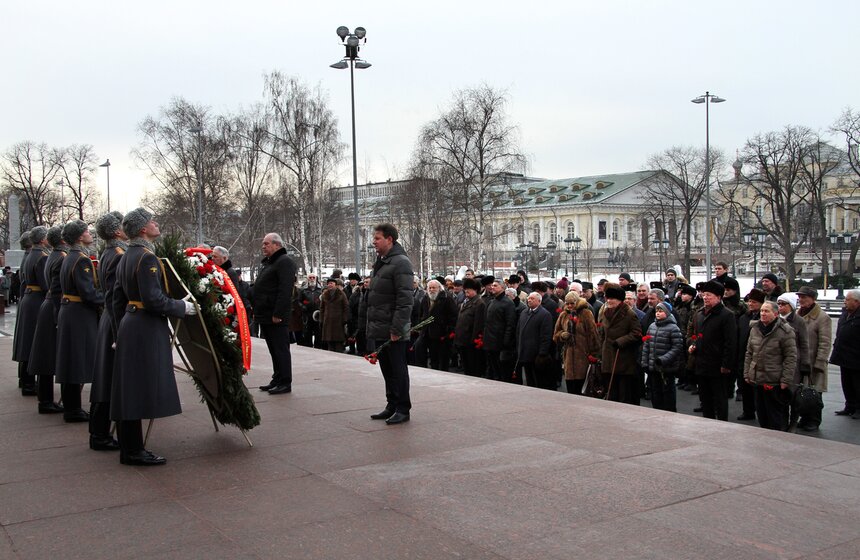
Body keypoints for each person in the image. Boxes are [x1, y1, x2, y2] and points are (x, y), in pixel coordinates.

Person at [111, 208, 198, 466]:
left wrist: (119, 331)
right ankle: (133, 451)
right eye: (151, 221)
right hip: (144, 328)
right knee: (138, 388)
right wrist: (181, 307)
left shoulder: (127, 255)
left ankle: (130, 447)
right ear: (142, 230)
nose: (155, 223)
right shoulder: (146, 257)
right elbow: (153, 300)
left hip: (130, 324)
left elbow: (117, 299)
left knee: (129, 389)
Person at [55, 220, 105, 423]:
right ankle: (73, 409)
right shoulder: (81, 259)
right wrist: (106, 299)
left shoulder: (71, 257)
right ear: (78, 237)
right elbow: (88, 293)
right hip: (79, 313)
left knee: (70, 360)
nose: (89, 233)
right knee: (76, 360)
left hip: (70, 311)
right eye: (85, 231)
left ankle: (71, 406)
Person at [366, 223, 414, 425]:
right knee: (387, 369)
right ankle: (392, 405)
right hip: (381, 326)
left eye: (377, 238)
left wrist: (397, 328)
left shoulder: (401, 263)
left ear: (389, 239)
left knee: (398, 369)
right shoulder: (383, 261)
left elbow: (405, 300)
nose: (373, 242)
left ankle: (403, 408)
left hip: (393, 329)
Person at [89, 212, 127, 450]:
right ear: (116, 232)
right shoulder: (117, 255)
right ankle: (100, 434)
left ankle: (99, 432)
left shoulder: (110, 253)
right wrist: (118, 334)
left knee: (106, 378)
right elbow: (115, 297)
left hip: (110, 319)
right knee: (112, 380)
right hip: (115, 321)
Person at [253, 233, 299, 395]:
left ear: (277, 245)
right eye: (263, 244)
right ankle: (277, 378)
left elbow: (285, 290)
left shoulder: (284, 262)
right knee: (273, 349)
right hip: (266, 313)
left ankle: (285, 382)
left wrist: (278, 312)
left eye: (266, 244)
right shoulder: (271, 263)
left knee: (280, 349)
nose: (263, 246)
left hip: (276, 315)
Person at [27, 225, 65, 414]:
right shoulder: (55, 256)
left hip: (46, 304)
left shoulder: (47, 255)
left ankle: (45, 399)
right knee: (49, 356)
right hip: (53, 306)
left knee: (45, 355)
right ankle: (47, 401)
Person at [744, 301, 797, 431]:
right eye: (761, 311)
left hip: (774, 381)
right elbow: (749, 353)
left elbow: (790, 357)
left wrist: (786, 380)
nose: (763, 313)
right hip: (758, 379)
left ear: (776, 313)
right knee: (762, 416)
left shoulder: (785, 331)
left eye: (766, 311)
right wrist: (747, 373)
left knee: (776, 417)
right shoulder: (755, 329)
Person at [688, 280, 737, 421]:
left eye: (709, 295)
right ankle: (707, 423)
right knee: (705, 398)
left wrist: (726, 365)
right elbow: (695, 335)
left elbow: (730, 342)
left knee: (720, 399)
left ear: (719, 297)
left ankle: (722, 424)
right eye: (704, 295)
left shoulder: (727, 315)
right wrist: (693, 344)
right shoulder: (699, 314)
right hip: (701, 363)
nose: (705, 297)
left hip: (717, 365)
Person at [13, 227, 49, 396]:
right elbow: (45, 284)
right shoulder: (41, 257)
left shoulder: (30, 255)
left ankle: (25, 380)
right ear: (42, 240)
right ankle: (28, 383)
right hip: (36, 300)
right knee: (33, 342)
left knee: (26, 341)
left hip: (29, 298)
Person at [597, 283, 642, 404]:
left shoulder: (629, 314)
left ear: (619, 300)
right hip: (608, 356)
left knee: (623, 394)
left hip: (622, 358)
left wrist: (621, 341)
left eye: (612, 298)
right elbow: (602, 333)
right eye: (608, 298)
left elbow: (637, 333)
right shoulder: (605, 313)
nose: (609, 301)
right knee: (611, 391)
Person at [795, 286, 831, 430]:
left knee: (814, 393)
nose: (801, 299)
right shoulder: (798, 315)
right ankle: (804, 418)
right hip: (801, 362)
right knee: (802, 393)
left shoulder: (822, 317)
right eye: (800, 297)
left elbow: (825, 342)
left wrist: (820, 363)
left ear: (813, 299)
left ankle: (814, 420)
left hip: (813, 362)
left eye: (804, 297)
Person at [639, 301, 684, 412]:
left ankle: (669, 412)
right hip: (653, 367)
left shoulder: (673, 328)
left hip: (666, 368)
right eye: (657, 311)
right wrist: (644, 362)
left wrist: (663, 360)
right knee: (656, 391)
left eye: (661, 311)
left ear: (667, 313)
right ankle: (657, 410)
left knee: (668, 391)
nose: (658, 313)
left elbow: (677, 347)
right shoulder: (652, 326)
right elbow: (647, 346)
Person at [553, 291, 600, 395]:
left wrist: (594, 354)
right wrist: (562, 335)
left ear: (577, 302)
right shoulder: (563, 315)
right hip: (568, 357)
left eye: (572, 303)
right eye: (567, 303)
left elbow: (593, 334)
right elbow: (555, 334)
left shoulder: (586, 313)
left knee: (582, 388)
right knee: (570, 388)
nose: (569, 306)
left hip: (583, 355)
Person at [830, 289, 860, 419]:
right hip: (843, 355)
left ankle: (858, 409)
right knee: (846, 383)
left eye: (847, 300)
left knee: (857, 385)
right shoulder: (845, 314)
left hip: (856, 357)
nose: (845, 302)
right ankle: (849, 406)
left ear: (857, 302)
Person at [736, 289, 765, 421]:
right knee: (744, 385)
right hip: (743, 355)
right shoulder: (744, 318)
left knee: (757, 388)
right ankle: (748, 411)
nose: (750, 304)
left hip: (758, 357)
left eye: (754, 302)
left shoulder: (763, 319)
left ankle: (760, 411)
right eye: (749, 301)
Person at [417, 279, 458, 371]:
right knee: (433, 358)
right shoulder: (425, 298)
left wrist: (448, 331)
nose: (431, 290)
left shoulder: (447, 298)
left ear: (439, 288)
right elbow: (421, 314)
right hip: (428, 334)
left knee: (443, 360)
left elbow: (453, 316)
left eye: (434, 288)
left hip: (442, 335)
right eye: (430, 288)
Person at [517, 292, 554, 389]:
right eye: (529, 298)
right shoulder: (524, 313)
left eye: (532, 299)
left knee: (539, 380)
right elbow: (519, 331)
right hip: (525, 352)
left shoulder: (545, 314)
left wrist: (542, 353)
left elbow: (546, 336)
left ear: (539, 301)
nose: (529, 300)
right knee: (529, 379)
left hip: (536, 354)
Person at [483, 278, 516, 382]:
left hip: (500, 342)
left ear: (502, 287)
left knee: (501, 370)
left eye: (495, 285)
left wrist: (506, 341)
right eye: (492, 285)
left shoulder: (508, 303)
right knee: (492, 368)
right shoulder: (492, 301)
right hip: (490, 341)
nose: (492, 287)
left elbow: (510, 324)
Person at [454, 277, 485, 377]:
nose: (466, 291)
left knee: (473, 367)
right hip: (462, 340)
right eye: (465, 288)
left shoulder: (479, 303)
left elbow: (478, 324)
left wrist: (473, 340)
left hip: (470, 342)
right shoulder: (465, 302)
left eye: (469, 289)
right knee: (466, 366)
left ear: (475, 290)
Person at [319, 277, 348, 352]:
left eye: (331, 283)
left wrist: (344, 319)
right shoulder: (325, 294)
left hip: (338, 321)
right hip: (327, 321)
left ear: (335, 284)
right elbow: (322, 308)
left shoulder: (341, 293)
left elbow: (346, 307)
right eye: (328, 284)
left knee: (338, 343)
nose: (330, 285)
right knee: (330, 343)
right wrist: (321, 319)